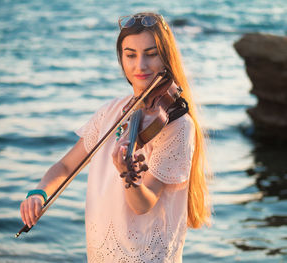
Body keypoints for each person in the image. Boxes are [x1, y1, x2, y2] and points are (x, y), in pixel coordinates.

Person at [20, 12, 211, 262]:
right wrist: (39, 193)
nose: (140, 65)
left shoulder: (177, 125)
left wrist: (128, 175)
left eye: (151, 54)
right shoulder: (111, 112)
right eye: (130, 55)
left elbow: (143, 204)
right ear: (121, 58)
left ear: (167, 57)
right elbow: (67, 165)